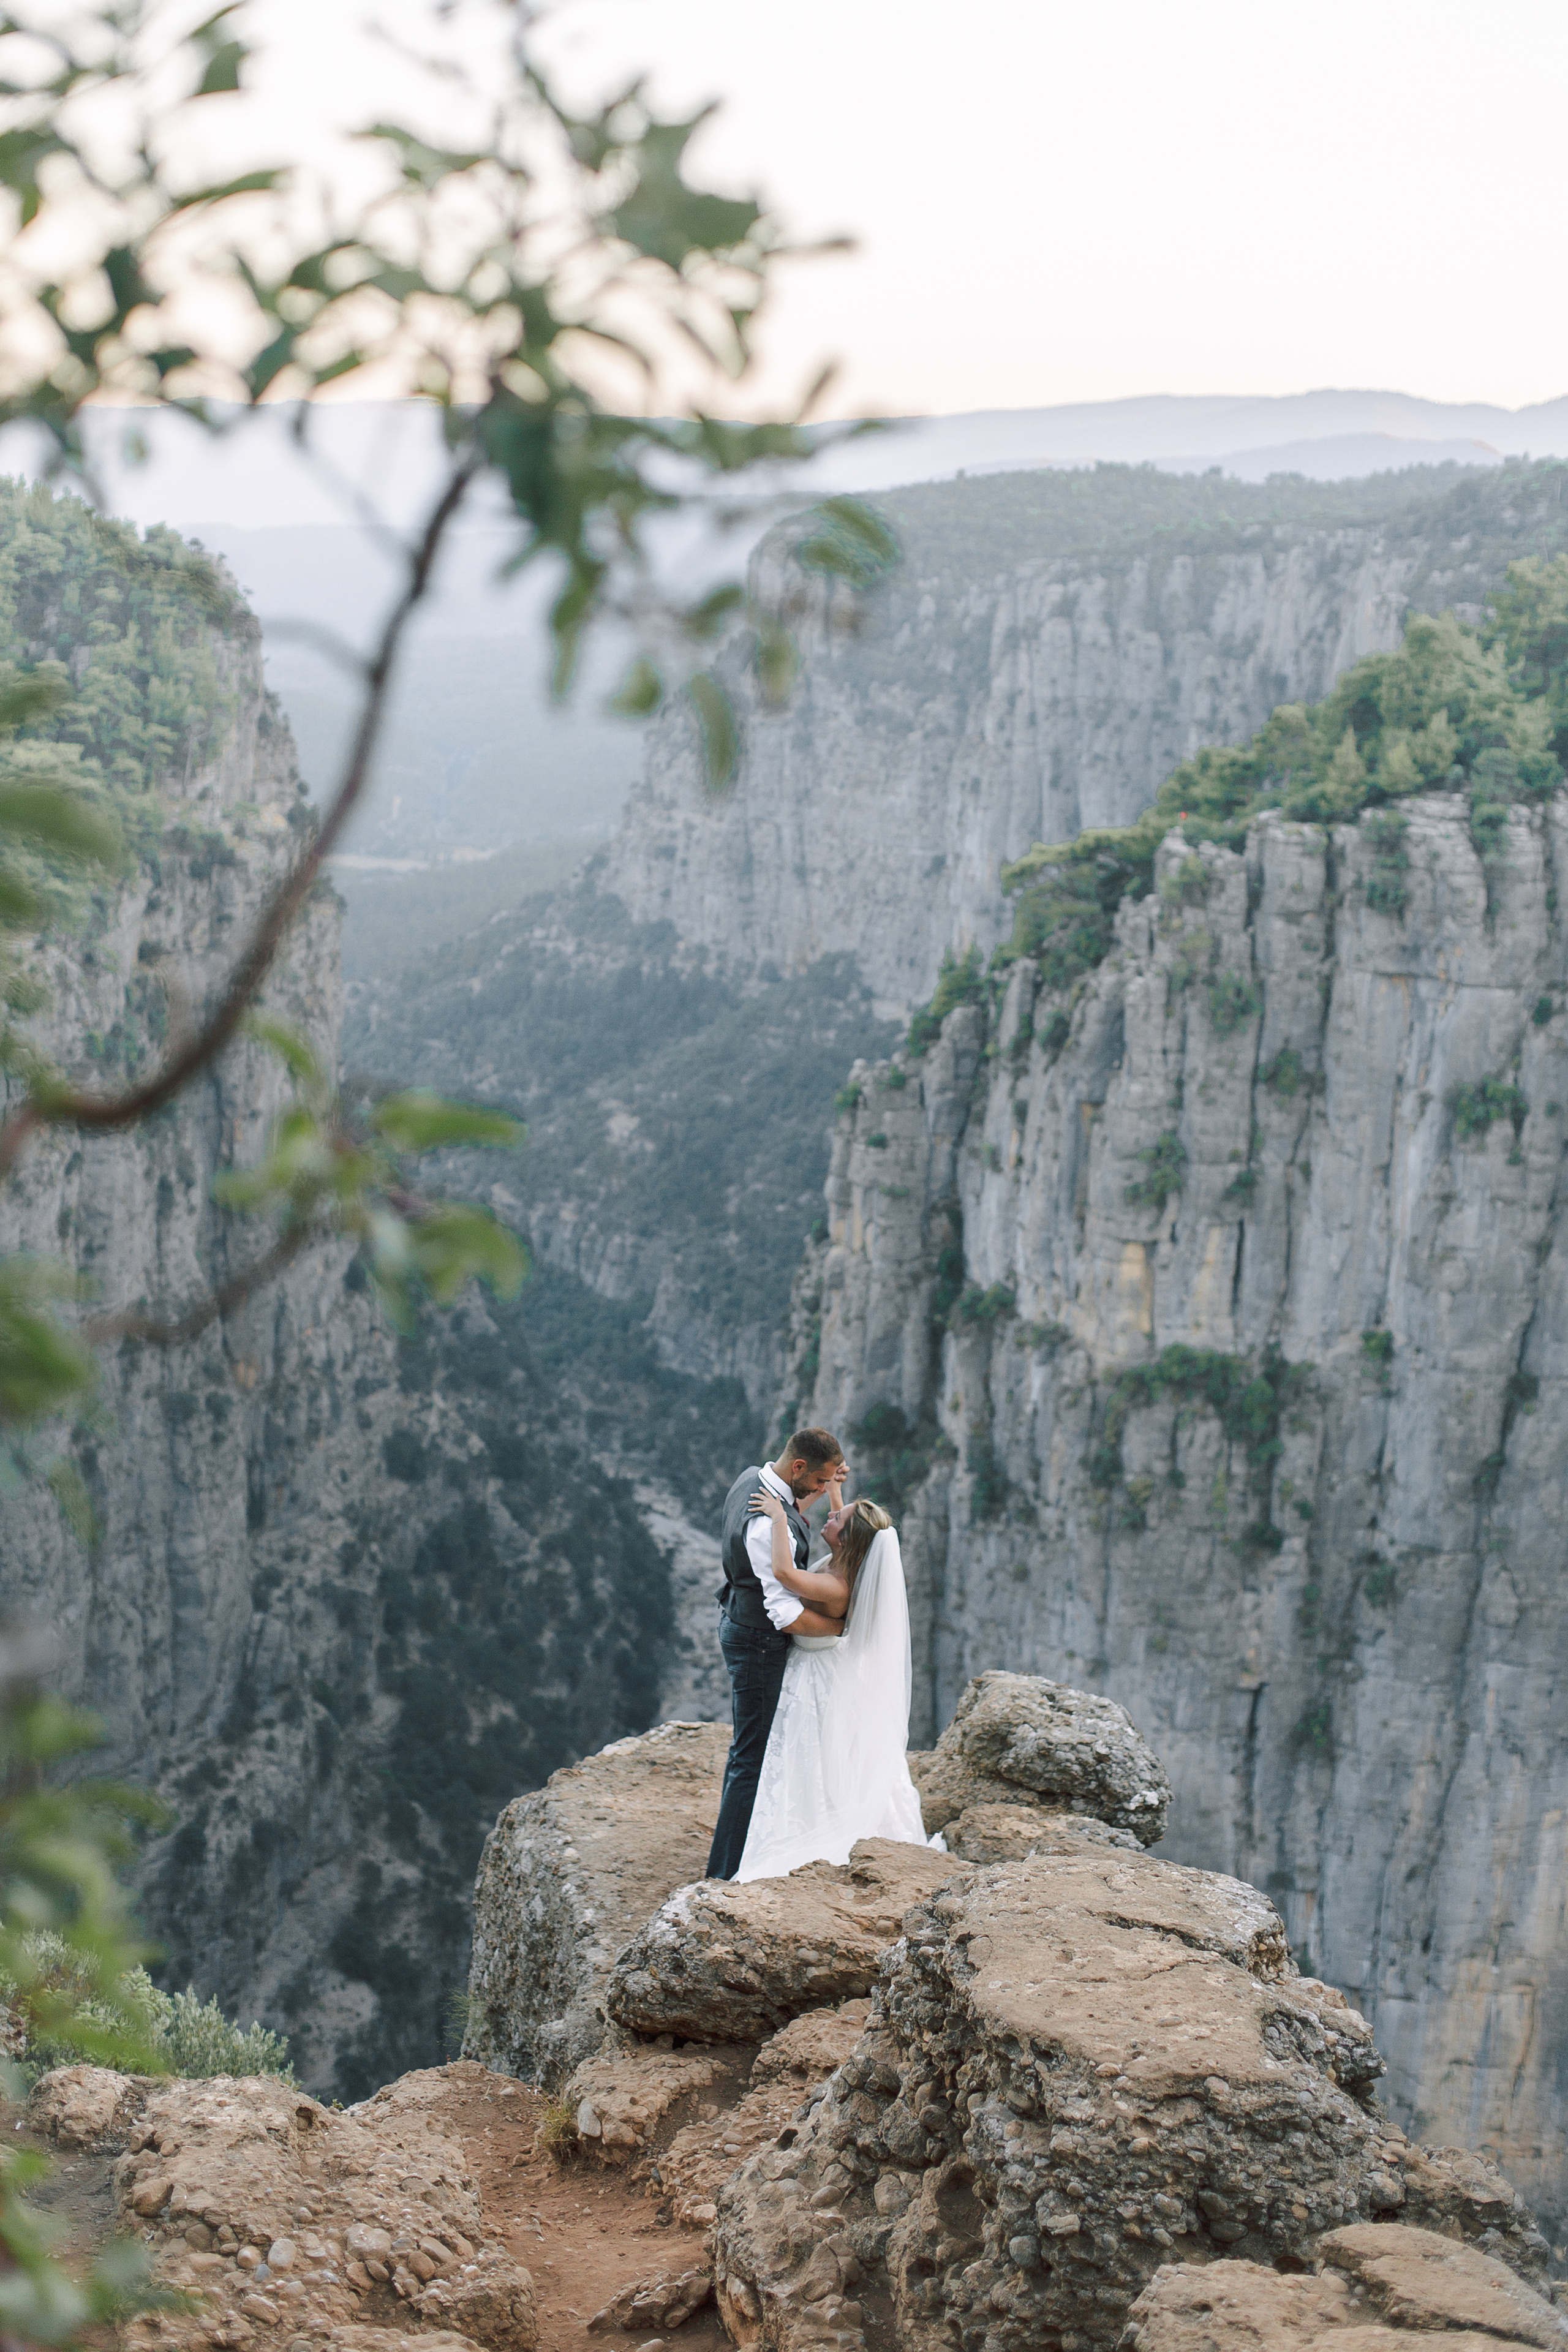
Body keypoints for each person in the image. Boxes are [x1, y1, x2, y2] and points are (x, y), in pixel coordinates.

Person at [734, 1492, 932, 1882]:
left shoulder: (838, 1585)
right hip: (824, 1662)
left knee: (810, 1761)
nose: (831, 1514)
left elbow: (786, 1575)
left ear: (845, 1540)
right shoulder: (847, 1563)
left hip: (815, 1673)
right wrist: (834, 1493)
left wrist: (777, 1518)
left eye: (838, 1517)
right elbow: (844, 1531)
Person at [705, 1428, 847, 1881]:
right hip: (758, 1642)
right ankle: (723, 1873)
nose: (824, 1491)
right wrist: (842, 1630)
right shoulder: (768, 1524)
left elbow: (793, 1510)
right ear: (800, 1468)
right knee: (750, 1757)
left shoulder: (754, 1480)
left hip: (739, 1621)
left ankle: (742, 1853)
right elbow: (786, 1616)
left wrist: (831, 1493)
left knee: (753, 1751)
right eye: (822, 1481)